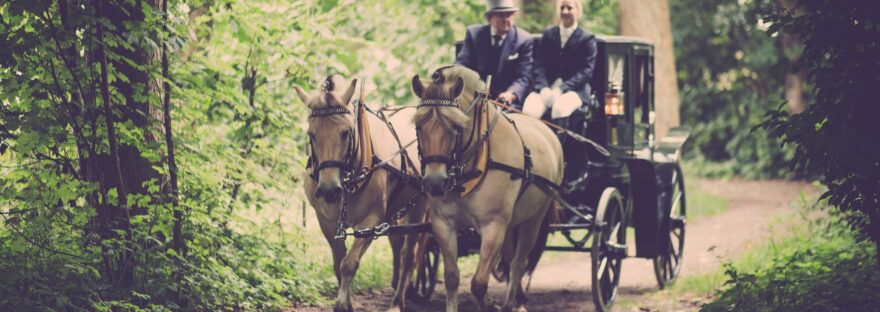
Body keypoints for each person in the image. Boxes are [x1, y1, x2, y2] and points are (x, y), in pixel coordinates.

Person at [523, 0, 598, 119]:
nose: (565, 11)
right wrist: (543, 88)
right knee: (529, 109)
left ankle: (557, 138)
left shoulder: (587, 39)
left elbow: (586, 72)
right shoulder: (548, 34)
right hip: (547, 88)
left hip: (576, 91)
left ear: (578, 11)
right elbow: (539, 64)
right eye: (562, 8)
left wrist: (561, 89)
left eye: (569, 8)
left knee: (560, 108)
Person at [456, 0, 533, 109]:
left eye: (509, 15)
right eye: (501, 15)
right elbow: (461, 66)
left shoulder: (523, 40)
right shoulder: (474, 35)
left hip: (506, 102)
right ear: (489, 18)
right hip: (475, 98)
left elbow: (524, 77)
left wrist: (511, 94)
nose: (506, 20)